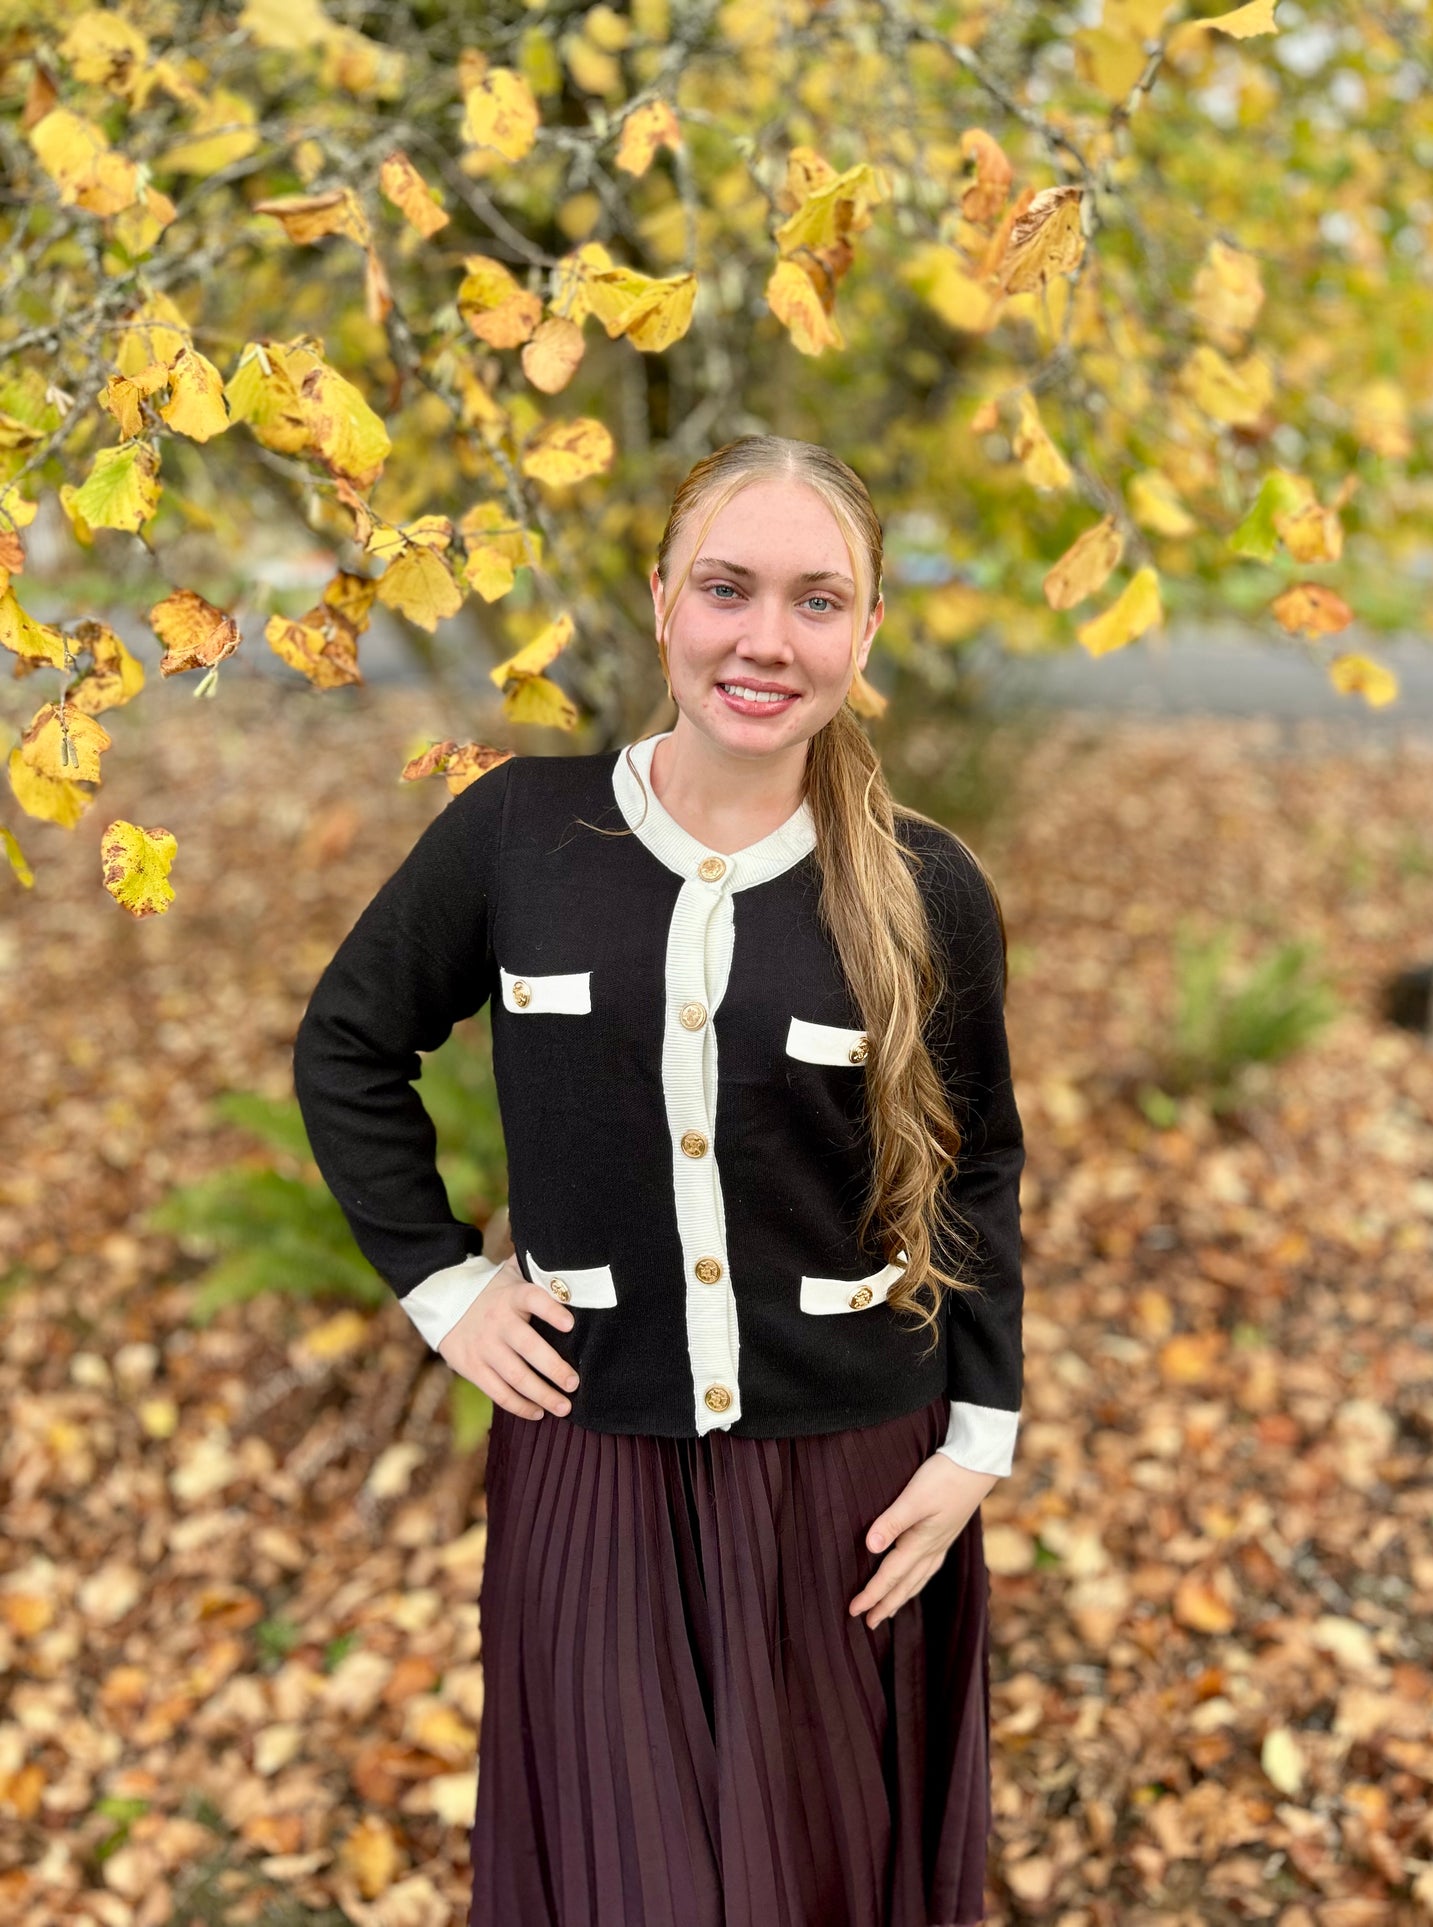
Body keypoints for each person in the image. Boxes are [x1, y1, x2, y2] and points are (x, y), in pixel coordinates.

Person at [291, 433, 1027, 1927]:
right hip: (590, 1459)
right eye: (726, 589)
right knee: (627, 1880)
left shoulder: (925, 883)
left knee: (813, 1878)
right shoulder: (519, 834)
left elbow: (977, 1169)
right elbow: (348, 1046)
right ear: (661, 601)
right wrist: (443, 1287)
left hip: (847, 1481)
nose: (766, 639)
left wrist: (976, 1445)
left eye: (817, 601)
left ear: (868, 629)